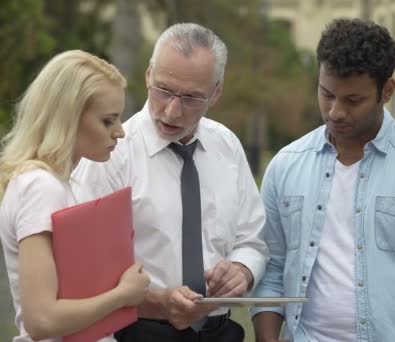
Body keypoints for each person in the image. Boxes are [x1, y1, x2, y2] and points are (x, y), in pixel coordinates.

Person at [251, 18, 395, 342]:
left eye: (353, 100)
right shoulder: (285, 166)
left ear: (387, 90)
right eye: (327, 94)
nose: (335, 111)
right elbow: (271, 270)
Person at [71, 23, 268, 342]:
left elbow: (253, 240)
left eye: (191, 97)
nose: (172, 110)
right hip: (137, 333)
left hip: (222, 332)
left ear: (216, 92)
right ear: (149, 74)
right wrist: (157, 304)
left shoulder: (227, 146)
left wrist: (244, 270)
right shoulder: (111, 155)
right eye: (163, 90)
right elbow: (86, 268)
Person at [0, 50, 150, 342]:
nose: (119, 132)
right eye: (108, 121)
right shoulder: (40, 186)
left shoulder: (61, 183)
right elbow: (41, 319)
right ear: (68, 118)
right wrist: (122, 295)